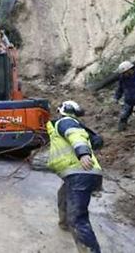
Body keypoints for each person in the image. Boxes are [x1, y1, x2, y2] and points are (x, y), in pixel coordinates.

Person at [47, 100, 103, 253]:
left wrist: (83, 153)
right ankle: (64, 224)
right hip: (80, 173)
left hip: (80, 173)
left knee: (78, 219)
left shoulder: (66, 122)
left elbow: (74, 135)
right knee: (63, 195)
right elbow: (97, 141)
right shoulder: (74, 124)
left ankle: (91, 250)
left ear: (62, 110)